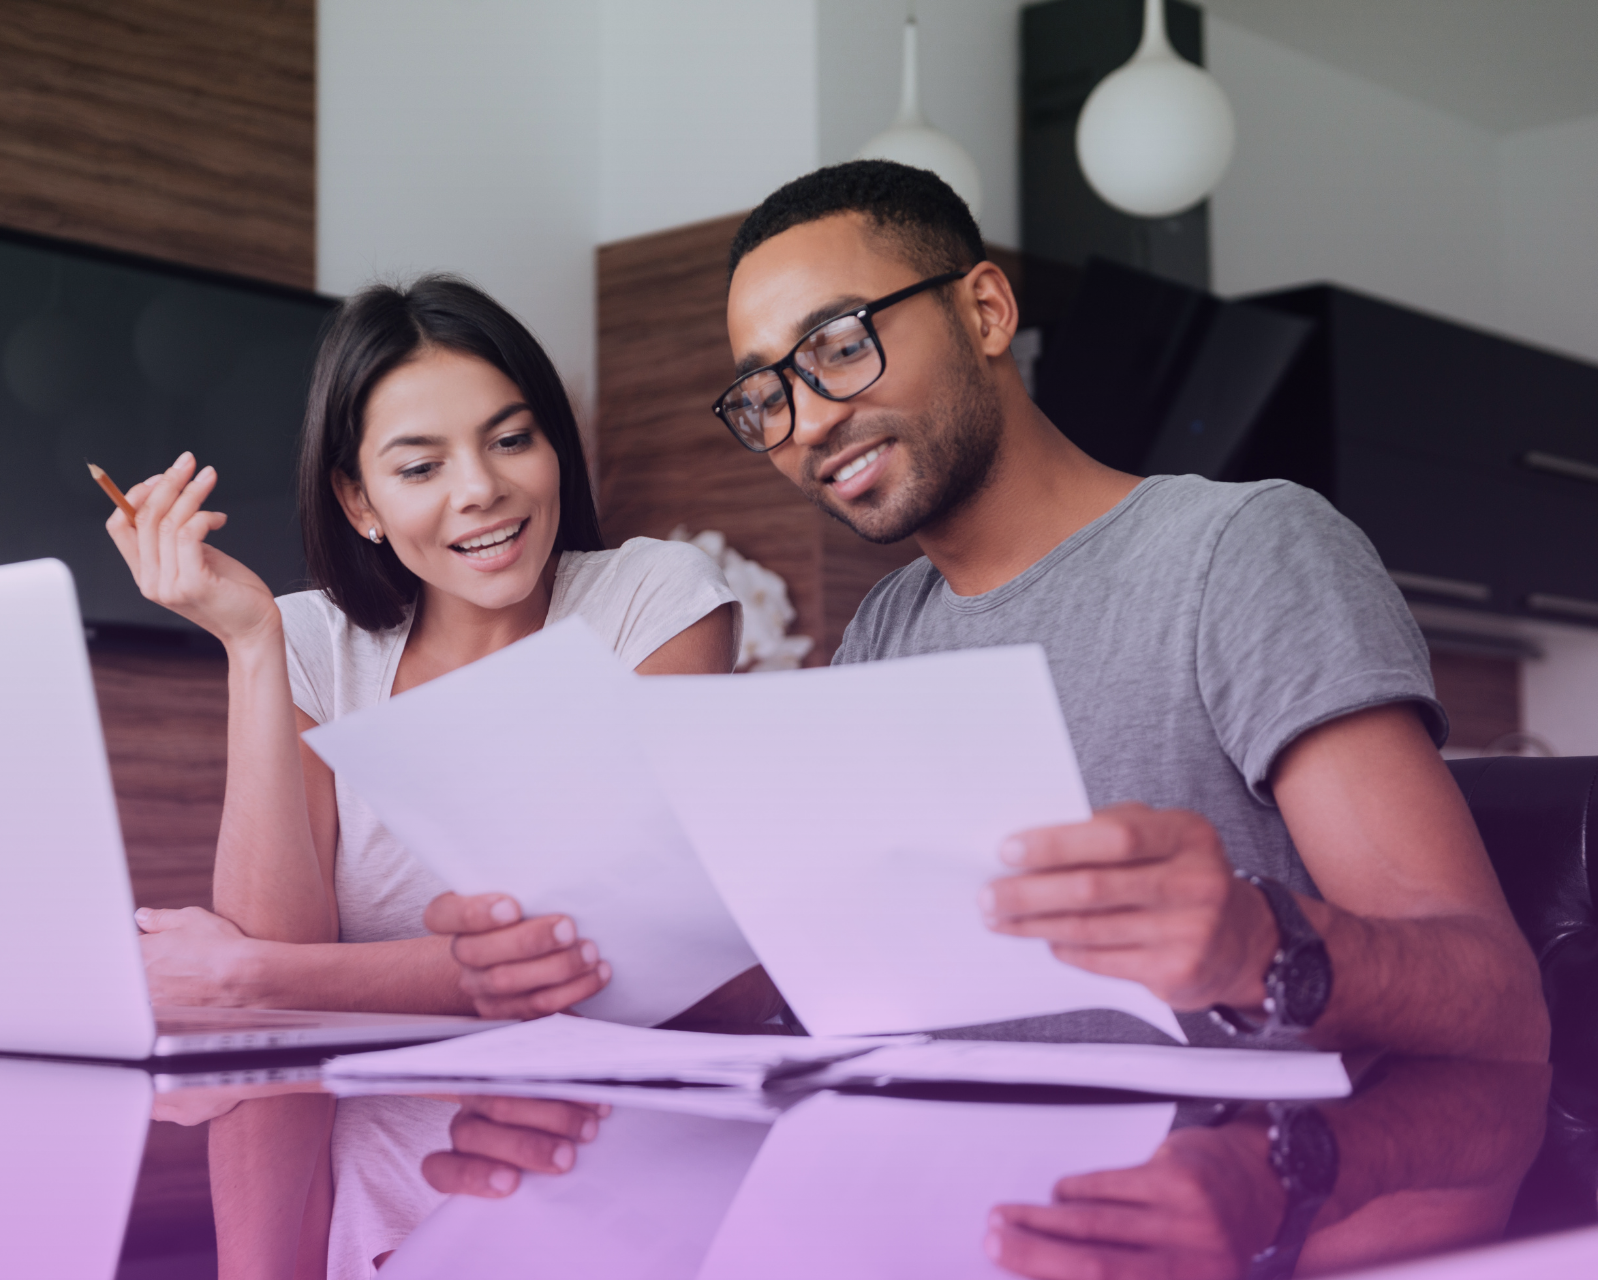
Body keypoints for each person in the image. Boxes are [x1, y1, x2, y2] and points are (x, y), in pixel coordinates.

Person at [427, 160, 1548, 1064]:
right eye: (766, 394)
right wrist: (582, 963)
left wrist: (1261, 942)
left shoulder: (1242, 550)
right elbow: (836, 992)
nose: (807, 421)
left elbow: (1496, 999)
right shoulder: (885, 628)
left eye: (838, 346)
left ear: (986, 308)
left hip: (1237, 1196)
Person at [105, 274, 750, 1278]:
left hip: (614, 1192)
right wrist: (250, 643)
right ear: (359, 501)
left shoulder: (654, 598)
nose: (481, 488)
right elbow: (287, 973)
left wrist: (251, 977)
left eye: (510, 437)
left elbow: (606, 959)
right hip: (379, 1214)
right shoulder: (312, 638)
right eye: (421, 464)